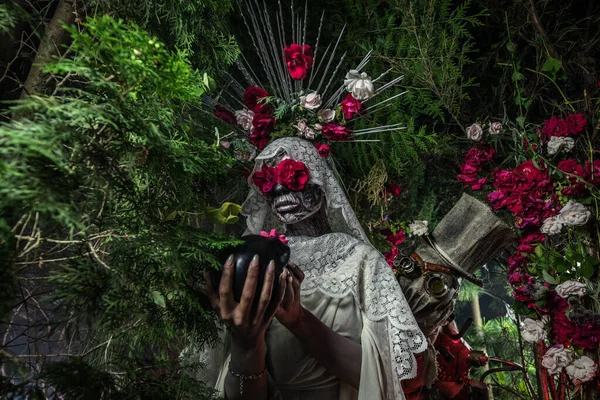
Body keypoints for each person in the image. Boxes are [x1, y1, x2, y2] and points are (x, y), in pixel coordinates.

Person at [198, 137, 426, 400]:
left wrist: (300, 321)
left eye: (293, 179)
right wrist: (247, 341)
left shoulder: (359, 259)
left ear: (320, 183)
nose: (282, 194)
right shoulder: (254, 261)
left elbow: (385, 378)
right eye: (272, 185)